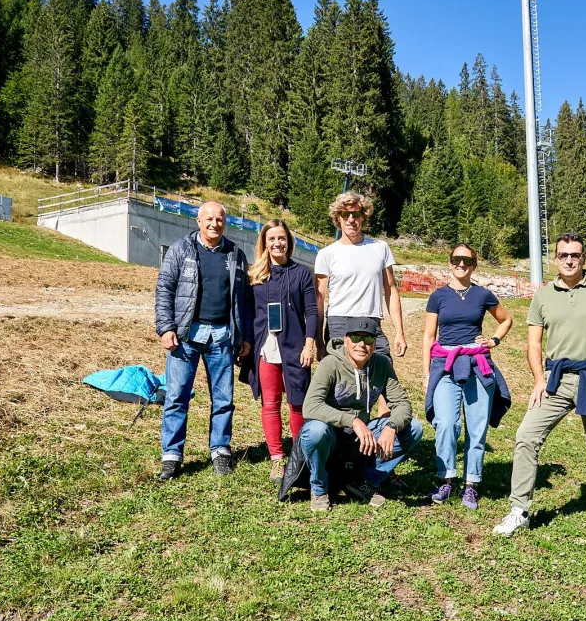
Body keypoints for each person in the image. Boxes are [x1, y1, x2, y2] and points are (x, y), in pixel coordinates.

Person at [493, 233, 586, 545]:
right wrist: (538, 380)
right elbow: (533, 342)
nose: (569, 260)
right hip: (556, 379)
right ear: (554, 259)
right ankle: (519, 510)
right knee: (526, 437)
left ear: (584, 257)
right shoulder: (543, 296)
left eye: (575, 254)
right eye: (563, 255)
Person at [155, 201, 252, 479]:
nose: (214, 224)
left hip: (222, 336)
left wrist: (242, 335)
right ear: (198, 221)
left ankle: (220, 449)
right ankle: (172, 455)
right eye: (209, 219)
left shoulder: (235, 254)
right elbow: (164, 290)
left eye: (220, 219)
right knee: (176, 397)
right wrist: (165, 327)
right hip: (186, 335)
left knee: (223, 399)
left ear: (225, 222)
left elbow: (243, 300)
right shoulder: (180, 250)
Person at [422, 243, 513, 510]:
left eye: (466, 260)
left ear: (474, 265)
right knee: (446, 423)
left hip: (477, 365)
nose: (460, 264)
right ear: (449, 263)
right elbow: (429, 336)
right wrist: (426, 372)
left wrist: (494, 340)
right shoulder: (438, 296)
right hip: (445, 365)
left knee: (477, 426)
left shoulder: (484, 294)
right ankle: (446, 479)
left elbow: (506, 320)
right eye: (456, 259)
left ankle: (471, 484)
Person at [299, 317, 424, 512]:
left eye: (368, 339)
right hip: (331, 434)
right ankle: (319, 488)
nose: (361, 344)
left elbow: (402, 404)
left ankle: (364, 481)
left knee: (414, 428)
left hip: (362, 438)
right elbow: (311, 406)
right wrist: (353, 421)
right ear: (346, 339)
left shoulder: (381, 365)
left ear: (375, 343)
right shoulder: (330, 364)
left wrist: (391, 427)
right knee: (314, 430)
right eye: (356, 337)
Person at [240, 220, 319, 483]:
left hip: (295, 348)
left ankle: (300, 455)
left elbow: (312, 311)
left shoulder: (302, 273)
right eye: (272, 239)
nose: (277, 243)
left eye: (282, 238)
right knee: (270, 404)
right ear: (264, 242)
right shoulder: (255, 275)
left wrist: (310, 343)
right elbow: (249, 313)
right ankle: (277, 459)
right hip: (266, 347)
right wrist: (248, 343)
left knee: (297, 403)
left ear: (289, 241)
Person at [314, 191, 406, 384]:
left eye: (355, 214)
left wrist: (399, 331)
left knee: (385, 376)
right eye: (345, 215)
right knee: (342, 382)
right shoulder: (326, 254)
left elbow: (390, 289)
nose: (350, 220)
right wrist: (319, 340)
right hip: (339, 322)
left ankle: (386, 415)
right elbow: (319, 299)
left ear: (363, 217)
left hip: (371, 320)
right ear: (337, 218)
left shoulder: (380, 248)